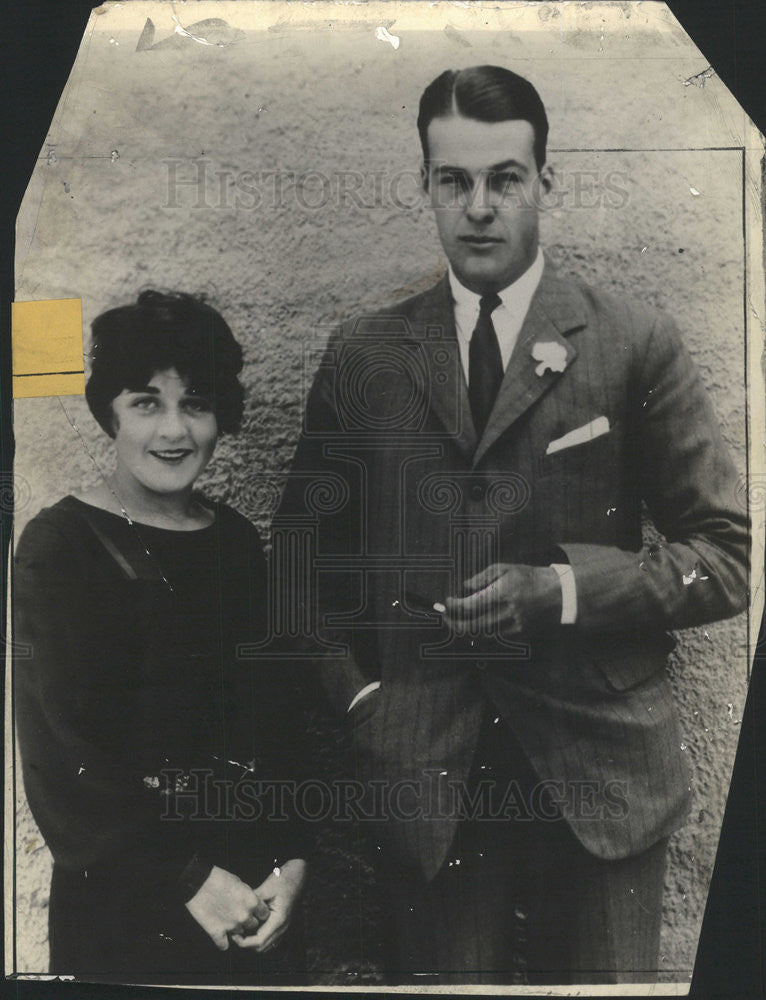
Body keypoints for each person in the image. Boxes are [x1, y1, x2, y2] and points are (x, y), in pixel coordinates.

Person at [275, 66, 749, 984]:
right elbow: (298, 570)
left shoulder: (632, 341)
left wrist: (562, 590)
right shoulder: (364, 355)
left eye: (505, 178)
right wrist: (365, 704)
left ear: (545, 182)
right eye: (454, 181)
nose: (480, 207)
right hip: (428, 780)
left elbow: (728, 556)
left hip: (602, 773)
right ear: (425, 186)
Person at [14, 290, 310, 985]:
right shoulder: (60, 546)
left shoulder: (235, 541)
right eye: (146, 402)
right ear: (109, 413)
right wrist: (188, 879)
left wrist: (292, 860)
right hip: (128, 896)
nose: (174, 430)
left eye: (195, 403)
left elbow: (276, 719)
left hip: (253, 898)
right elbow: (62, 756)